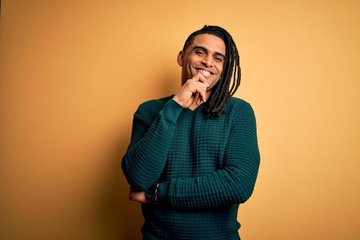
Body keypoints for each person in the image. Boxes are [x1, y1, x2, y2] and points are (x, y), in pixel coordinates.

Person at [121, 25, 260, 240]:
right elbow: (138, 177)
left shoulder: (238, 112)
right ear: (181, 57)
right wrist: (175, 106)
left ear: (224, 67)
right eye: (200, 52)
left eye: (218, 57)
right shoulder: (149, 111)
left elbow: (238, 185)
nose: (208, 62)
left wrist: (157, 193)